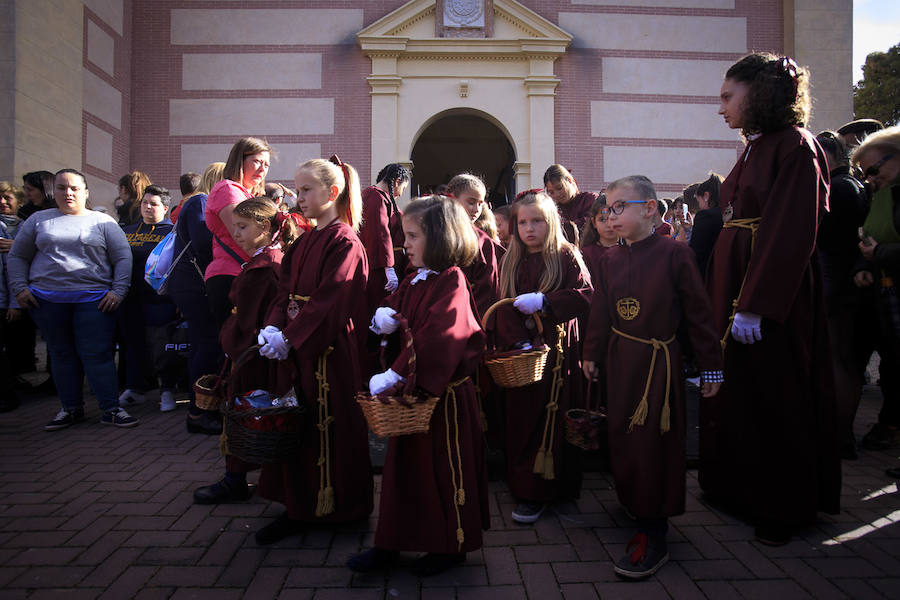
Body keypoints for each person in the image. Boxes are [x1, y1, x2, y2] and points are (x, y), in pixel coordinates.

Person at [701, 53, 840, 545]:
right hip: (737, 283)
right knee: (742, 392)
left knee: (777, 393)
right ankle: (737, 490)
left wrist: (756, 302)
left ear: (758, 94)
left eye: (727, 97)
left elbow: (790, 229)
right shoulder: (756, 146)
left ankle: (784, 505)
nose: (720, 109)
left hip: (768, 293)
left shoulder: (796, 147)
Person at [582, 175, 723, 580]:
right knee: (623, 434)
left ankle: (654, 526)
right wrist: (592, 354)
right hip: (619, 358)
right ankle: (633, 499)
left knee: (653, 440)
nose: (611, 216)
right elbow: (602, 312)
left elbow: (698, 312)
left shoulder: (674, 255)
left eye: (619, 206)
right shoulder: (609, 259)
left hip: (658, 363)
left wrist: (711, 363)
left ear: (649, 208)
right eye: (607, 209)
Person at [349, 196, 489, 577]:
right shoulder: (417, 277)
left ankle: (449, 545)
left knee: (442, 472)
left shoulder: (452, 282)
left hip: (442, 401)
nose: (404, 244)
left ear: (441, 237)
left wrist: (396, 375)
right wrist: (384, 316)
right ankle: (391, 542)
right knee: (404, 474)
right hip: (415, 397)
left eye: (412, 236)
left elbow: (440, 336)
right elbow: (401, 305)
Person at [254, 156, 373, 544]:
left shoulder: (345, 241)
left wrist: (291, 336)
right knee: (297, 424)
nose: (298, 197)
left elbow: (333, 298)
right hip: (298, 346)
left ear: (332, 192)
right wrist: (273, 325)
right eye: (298, 189)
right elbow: (284, 289)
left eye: (306, 190)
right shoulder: (305, 239)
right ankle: (300, 503)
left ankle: (342, 507)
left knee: (331, 423)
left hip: (329, 350)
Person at [193, 197, 304, 505]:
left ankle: (235, 479)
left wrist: (231, 344)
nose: (236, 233)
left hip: (253, 355)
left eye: (242, 227)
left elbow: (247, 319)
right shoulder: (269, 260)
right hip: (259, 352)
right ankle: (245, 476)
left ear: (264, 227)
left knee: (246, 413)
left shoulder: (263, 267)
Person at [8, 169, 137, 430]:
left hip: (95, 302)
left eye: (74, 188)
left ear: (85, 192)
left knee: (98, 355)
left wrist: (118, 291)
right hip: (47, 302)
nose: (68, 193)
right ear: (52, 191)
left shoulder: (103, 222)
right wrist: (20, 288)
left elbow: (123, 258)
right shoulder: (37, 221)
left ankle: (111, 409)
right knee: (61, 354)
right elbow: (17, 256)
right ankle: (70, 409)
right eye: (61, 188)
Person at [491, 191, 592, 524]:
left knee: (555, 416)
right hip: (524, 355)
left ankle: (554, 489)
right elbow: (501, 306)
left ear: (551, 222)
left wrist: (547, 303)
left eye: (537, 221)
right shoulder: (510, 260)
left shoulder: (566, 255)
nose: (529, 228)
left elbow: (586, 296)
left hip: (559, 352)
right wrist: (516, 342)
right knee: (524, 418)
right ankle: (526, 486)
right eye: (522, 222)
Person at [815, 131, 870, 457]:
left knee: (838, 359)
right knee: (847, 361)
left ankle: (839, 435)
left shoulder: (836, 190)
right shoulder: (854, 187)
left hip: (835, 284)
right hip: (847, 283)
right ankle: (840, 433)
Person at [850, 126, 900, 451]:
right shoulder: (884, 193)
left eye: (872, 170)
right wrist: (865, 266)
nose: (868, 178)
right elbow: (869, 234)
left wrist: (878, 254)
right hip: (886, 291)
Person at [168, 162, 224, 435]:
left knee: (202, 345)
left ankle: (200, 407)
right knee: (207, 346)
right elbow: (204, 244)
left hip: (193, 284)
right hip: (196, 285)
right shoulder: (200, 201)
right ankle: (199, 412)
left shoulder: (197, 203)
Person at [118, 185, 179, 412]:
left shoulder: (173, 233)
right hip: (130, 298)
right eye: (145, 203)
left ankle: (167, 390)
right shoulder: (127, 231)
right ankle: (135, 388)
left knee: (162, 346)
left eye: (153, 204)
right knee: (133, 344)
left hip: (161, 301)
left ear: (164, 207)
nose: (148, 207)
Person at [205, 137, 271, 330]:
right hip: (231, 275)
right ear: (239, 160)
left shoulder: (248, 194)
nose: (262, 169)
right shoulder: (228, 189)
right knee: (237, 347)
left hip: (245, 274)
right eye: (257, 161)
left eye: (266, 164)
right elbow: (247, 238)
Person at [446, 173, 503, 318]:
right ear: (452, 199)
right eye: (471, 202)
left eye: (480, 203)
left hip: (468, 313)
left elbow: (487, 286)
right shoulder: (435, 232)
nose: (477, 209)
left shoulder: (483, 241)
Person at [359, 163, 411, 313]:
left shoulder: (379, 197)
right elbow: (379, 231)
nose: (400, 194)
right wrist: (388, 267)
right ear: (396, 181)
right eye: (403, 188)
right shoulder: (374, 196)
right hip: (379, 266)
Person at [543, 164, 597, 244]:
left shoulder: (590, 199)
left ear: (570, 180)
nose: (557, 194)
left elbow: (588, 226)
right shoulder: (554, 209)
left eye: (559, 188)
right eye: (551, 192)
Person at [687, 173, 725, 277]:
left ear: (706, 196)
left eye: (698, 200)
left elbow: (695, 252)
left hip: (708, 275)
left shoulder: (705, 216)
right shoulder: (728, 213)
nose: (699, 205)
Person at [579, 194, 618, 285]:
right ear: (594, 222)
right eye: (602, 220)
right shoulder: (586, 254)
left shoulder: (629, 249)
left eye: (613, 219)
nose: (608, 225)